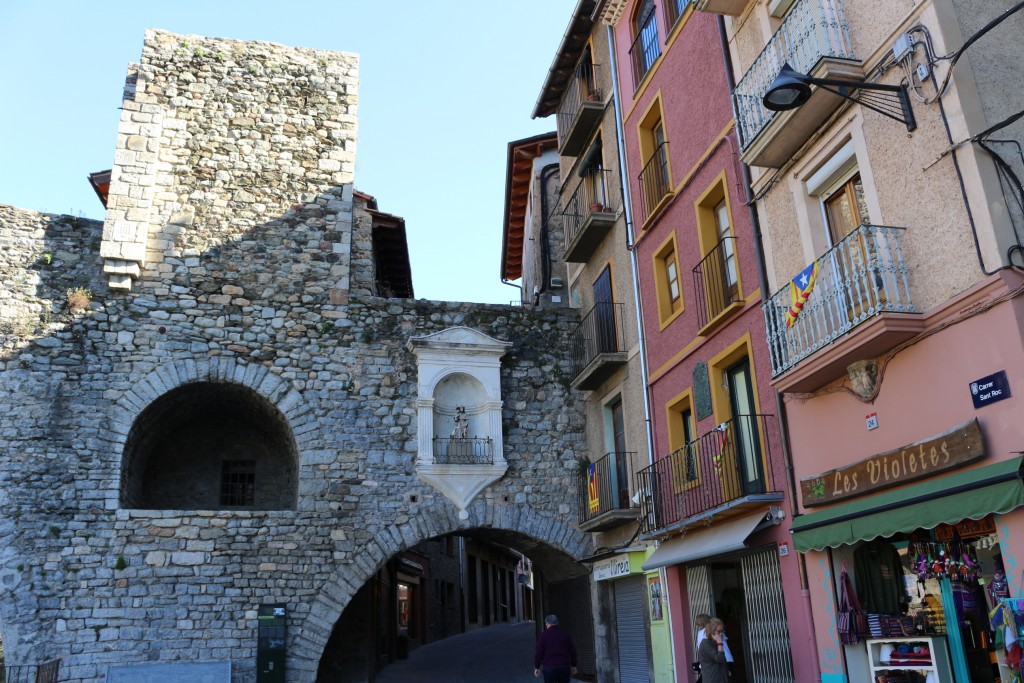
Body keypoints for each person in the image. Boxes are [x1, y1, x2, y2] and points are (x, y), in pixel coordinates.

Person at [534, 614, 578, 683]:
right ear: (557, 623)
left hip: (549, 668)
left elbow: (539, 652)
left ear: (547, 624)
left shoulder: (544, 636)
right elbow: (573, 651)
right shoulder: (564, 634)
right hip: (564, 667)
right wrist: (574, 665)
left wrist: (537, 667)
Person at [697, 617, 730, 683]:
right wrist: (720, 643)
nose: (721, 634)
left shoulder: (714, 642)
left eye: (722, 631)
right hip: (713, 679)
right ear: (711, 631)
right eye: (719, 632)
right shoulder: (706, 644)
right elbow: (719, 658)